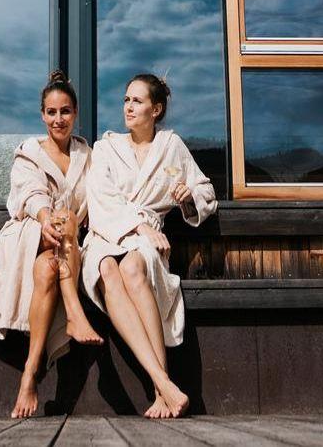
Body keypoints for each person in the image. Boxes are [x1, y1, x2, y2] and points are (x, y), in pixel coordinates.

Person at [80, 72, 218, 419]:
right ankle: (164, 384)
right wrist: (139, 225)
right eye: (126, 100)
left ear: (156, 109)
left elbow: (206, 191)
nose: (128, 107)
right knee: (107, 267)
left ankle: (160, 390)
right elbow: (100, 198)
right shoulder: (106, 147)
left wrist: (188, 196)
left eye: (137, 101)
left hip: (147, 238)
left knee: (132, 266)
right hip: (108, 233)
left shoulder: (171, 147)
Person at [0, 70, 102, 418]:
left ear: (76, 113)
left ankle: (29, 374)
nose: (59, 119)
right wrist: (46, 218)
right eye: (51, 112)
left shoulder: (87, 155)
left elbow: (99, 198)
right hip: (31, 235)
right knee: (62, 217)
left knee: (49, 265)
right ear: (42, 115)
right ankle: (74, 313)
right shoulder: (29, 153)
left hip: (66, 248)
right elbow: (30, 193)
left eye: (65, 111)